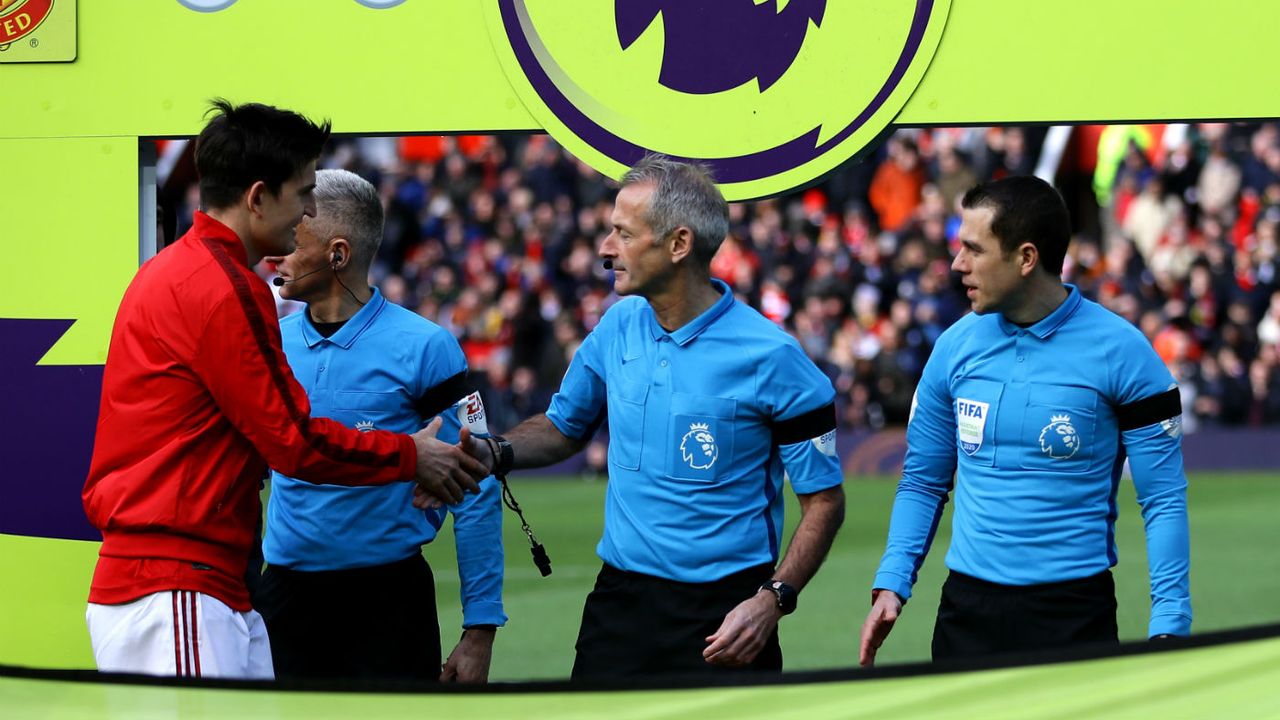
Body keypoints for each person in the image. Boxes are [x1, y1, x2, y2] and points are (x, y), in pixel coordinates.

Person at [82, 101, 487, 680]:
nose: (310, 211)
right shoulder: (224, 287)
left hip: (205, 581)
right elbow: (294, 443)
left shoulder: (177, 271)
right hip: (176, 585)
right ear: (257, 198)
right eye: (302, 195)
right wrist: (409, 455)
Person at [434, 154, 846, 679]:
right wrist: (495, 451)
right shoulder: (618, 326)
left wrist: (773, 600)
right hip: (620, 605)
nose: (605, 249)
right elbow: (563, 429)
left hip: (726, 615)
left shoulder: (774, 357)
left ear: (678, 245)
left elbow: (825, 501)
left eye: (623, 234)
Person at [859, 176, 1191, 666]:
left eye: (974, 249)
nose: (958, 265)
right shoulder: (953, 348)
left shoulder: (1124, 353)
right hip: (966, 616)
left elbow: (1162, 499)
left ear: (1026, 258)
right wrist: (892, 581)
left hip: (1073, 618)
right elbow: (923, 481)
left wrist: (1170, 622)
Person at [254, 169, 505, 683]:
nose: (276, 252)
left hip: (387, 601)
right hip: (283, 599)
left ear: (337, 254)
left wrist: (479, 629)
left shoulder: (425, 347)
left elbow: (475, 487)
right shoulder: (268, 342)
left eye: (294, 235)